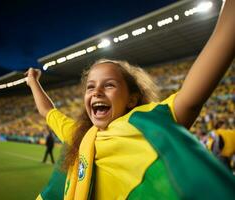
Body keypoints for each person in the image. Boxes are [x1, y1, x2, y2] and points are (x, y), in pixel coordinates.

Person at [26, 0, 235, 199]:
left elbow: (191, 98)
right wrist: (33, 81)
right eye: (90, 87)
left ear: (132, 99)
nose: (97, 92)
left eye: (109, 85)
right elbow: (47, 111)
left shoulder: (142, 124)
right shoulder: (79, 134)